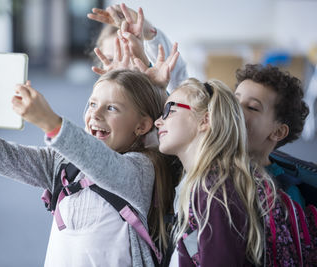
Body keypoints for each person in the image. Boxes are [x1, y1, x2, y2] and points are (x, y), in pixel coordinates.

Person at [0, 49, 176, 266]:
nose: (96, 115)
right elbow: (1, 155)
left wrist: (51, 123)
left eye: (112, 108)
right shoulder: (62, 164)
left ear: (142, 125)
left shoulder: (142, 170)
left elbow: (104, 165)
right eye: (92, 104)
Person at [154, 78, 273, 266]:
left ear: (205, 120)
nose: (158, 121)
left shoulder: (215, 190)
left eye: (170, 110)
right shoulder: (203, 184)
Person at [235, 64, 314, 207]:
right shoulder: (214, 161)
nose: (236, 109)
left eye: (252, 107)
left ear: (278, 132)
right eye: (234, 101)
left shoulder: (286, 194)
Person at [88, 3, 188, 93]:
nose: (120, 67)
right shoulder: (98, 102)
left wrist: (149, 32)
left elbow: (181, 90)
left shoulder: (157, 100)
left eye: (128, 56)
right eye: (109, 59)